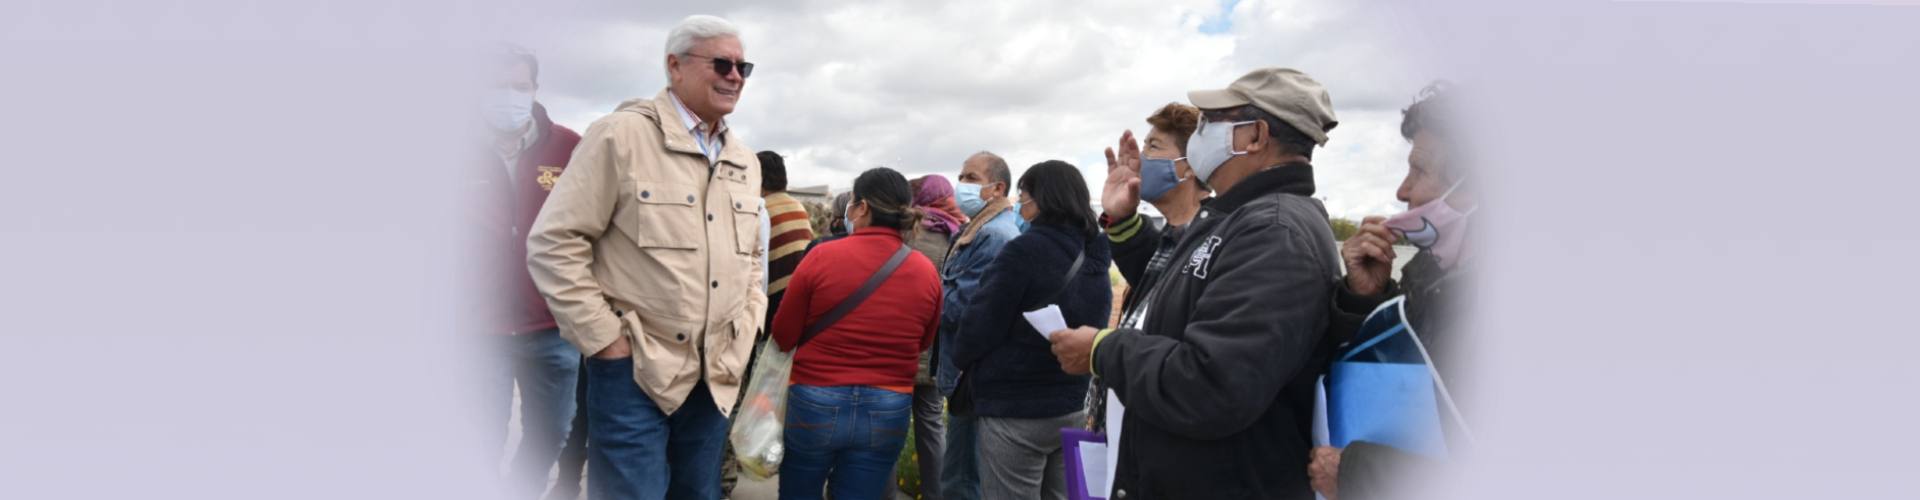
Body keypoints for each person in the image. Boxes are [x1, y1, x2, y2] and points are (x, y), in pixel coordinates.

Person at [1048, 67, 1345, 499]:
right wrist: (1125, 222)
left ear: (1256, 136)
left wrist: (1102, 349)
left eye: (1211, 123)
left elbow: (1215, 384)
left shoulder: (1274, 231)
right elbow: (1174, 295)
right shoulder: (1238, 218)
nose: (1199, 133)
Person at [525, 15, 764, 500]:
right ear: (675, 65)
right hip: (634, 373)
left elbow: (752, 257)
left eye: (744, 66)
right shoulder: (619, 136)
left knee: (697, 492)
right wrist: (604, 340)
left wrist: (747, 324)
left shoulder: (744, 160)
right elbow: (555, 242)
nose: (735, 75)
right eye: (722, 62)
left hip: (715, 375)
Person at [1308, 81, 1479, 500]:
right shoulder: (1428, 273)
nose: (1403, 191)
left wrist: (1357, 474)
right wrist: (1366, 298)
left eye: (1419, 170)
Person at [771, 167, 944, 500]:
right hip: (888, 403)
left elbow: (783, 334)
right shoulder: (925, 270)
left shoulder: (822, 255)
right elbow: (924, 342)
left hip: (815, 397)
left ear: (862, 207)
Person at [458, 42, 583, 500]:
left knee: (554, 432)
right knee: (482, 437)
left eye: (518, 86)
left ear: (534, 88)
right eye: (497, 86)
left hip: (553, 325)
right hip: (478, 327)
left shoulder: (570, 147)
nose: (508, 96)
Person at [951, 160, 1112, 500]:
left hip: (1016, 404)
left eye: (1023, 197)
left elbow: (982, 320)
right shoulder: (1095, 253)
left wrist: (962, 357)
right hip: (1071, 402)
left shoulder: (1024, 251)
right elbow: (1097, 321)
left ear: (1042, 199)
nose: (1019, 205)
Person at [1084, 102, 1208, 433]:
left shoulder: (1214, 240)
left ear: (1191, 165)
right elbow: (1150, 279)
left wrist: (1101, 349)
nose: (1141, 160)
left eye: (1154, 147)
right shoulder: (1174, 233)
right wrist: (1118, 215)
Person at [719, 150, 814, 497]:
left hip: (764, 323)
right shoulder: (796, 207)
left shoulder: (762, 209)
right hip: (791, 323)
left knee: (737, 399)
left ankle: (725, 475)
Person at [935, 151, 1025, 500]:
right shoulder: (979, 229)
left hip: (973, 375)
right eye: (962, 176)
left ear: (997, 188)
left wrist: (929, 299)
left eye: (971, 178)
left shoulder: (993, 237)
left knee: (962, 477)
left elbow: (965, 308)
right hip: (968, 372)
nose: (962, 185)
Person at [888, 174, 969, 500]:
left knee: (891, 426)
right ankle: (936, 495)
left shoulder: (905, 234)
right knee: (932, 425)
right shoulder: (959, 236)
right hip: (937, 348)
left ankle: (886, 494)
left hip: (900, 346)